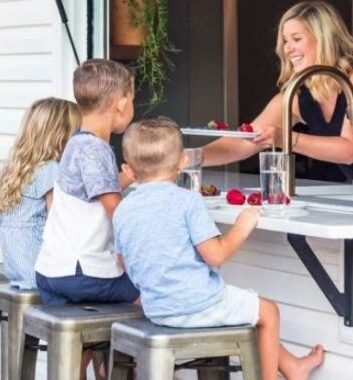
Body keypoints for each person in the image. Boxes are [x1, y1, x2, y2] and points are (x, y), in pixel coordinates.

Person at [114, 117, 325, 380]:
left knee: (244, 306)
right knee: (268, 312)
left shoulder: (123, 208)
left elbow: (124, 263)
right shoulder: (188, 201)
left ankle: (292, 366)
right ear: (182, 162)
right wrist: (243, 225)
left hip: (157, 309)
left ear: (129, 171)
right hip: (197, 305)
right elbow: (216, 256)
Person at [204, 0, 353, 199]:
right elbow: (247, 140)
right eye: (285, 41)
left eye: (296, 39)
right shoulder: (298, 95)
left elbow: (350, 150)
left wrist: (287, 139)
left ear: (324, 39)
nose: (288, 49)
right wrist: (190, 157)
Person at [34, 58, 140, 306]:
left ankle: (90, 347)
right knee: (154, 294)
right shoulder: (96, 149)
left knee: (84, 339)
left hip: (51, 273)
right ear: (122, 105)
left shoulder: (76, 142)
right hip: (84, 272)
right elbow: (114, 209)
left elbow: (91, 191)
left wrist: (125, 178)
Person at [0, 97, 81, 290]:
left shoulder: (20, 169)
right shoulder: (50, 170)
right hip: (40, 275)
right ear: (60, 135)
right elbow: (60, 223)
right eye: (77, 132)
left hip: (18, 272)